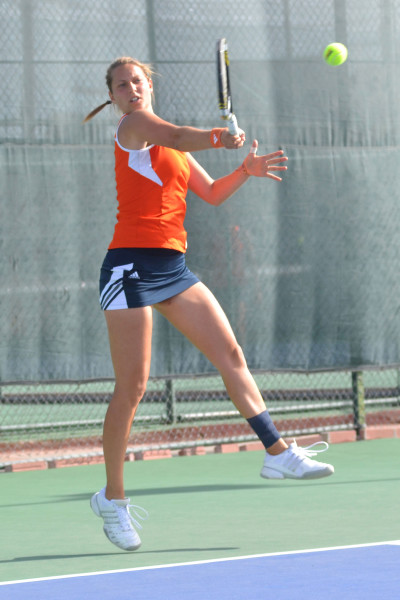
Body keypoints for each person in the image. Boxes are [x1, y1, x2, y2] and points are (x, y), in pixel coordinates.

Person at [84, 56, 334, 552]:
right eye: (120, 85)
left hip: (172, 268)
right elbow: (176, 134)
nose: (130, 90)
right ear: (112, 97)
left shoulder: (171, 147)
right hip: (129, 268)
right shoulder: (135, 126)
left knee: (230, 354)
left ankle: (276, 451)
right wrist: (220, 138)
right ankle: (113, 499)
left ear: (148, 84)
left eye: (137, 82)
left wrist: (245, 170)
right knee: (132, 388)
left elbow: (213, 194)